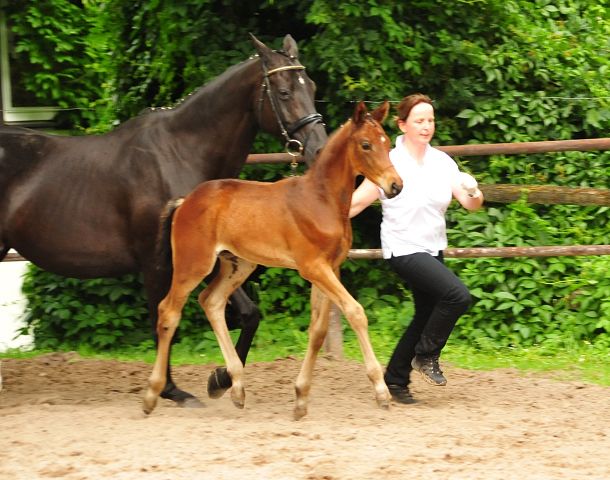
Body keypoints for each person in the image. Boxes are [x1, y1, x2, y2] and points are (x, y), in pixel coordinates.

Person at [349, 94, 484, 404]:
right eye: (419, 121)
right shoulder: (390, 161)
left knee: (424, 315)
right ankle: (425, 356)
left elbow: (470, 204)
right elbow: (356, 202)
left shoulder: (442, 162)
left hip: (433, 247)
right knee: (458, 296)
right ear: (402, 124)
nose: (426, 126)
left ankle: (395, 380)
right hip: (403, 248)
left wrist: (474, 190)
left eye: (430, 120)